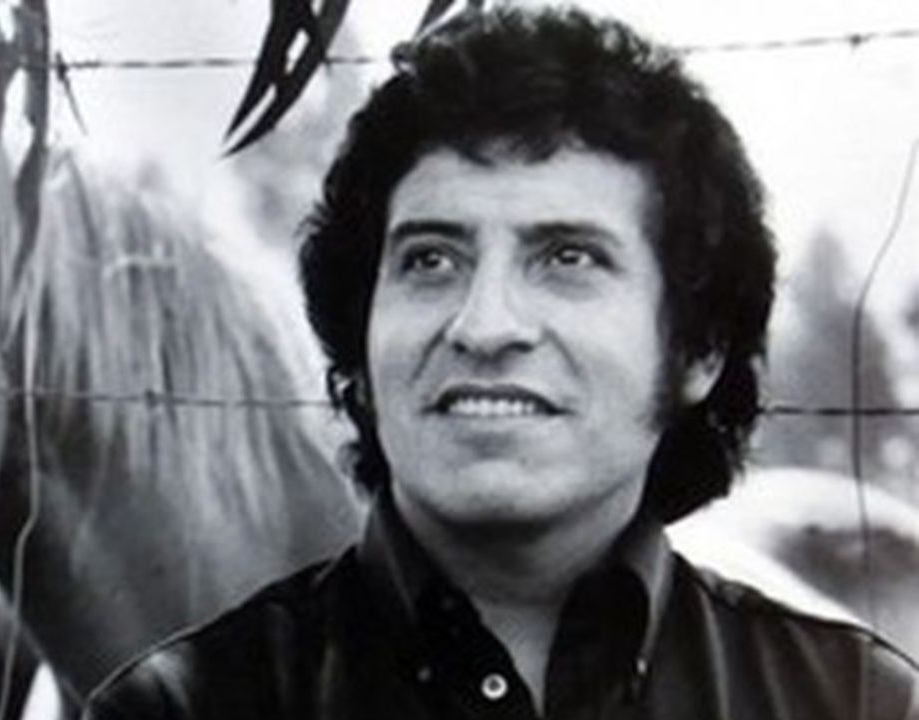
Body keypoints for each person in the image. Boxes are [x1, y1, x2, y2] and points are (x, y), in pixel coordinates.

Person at [85, 5, 919, 719]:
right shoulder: (179, 709)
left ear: (697, 348)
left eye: (567, 258)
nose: (483, 326)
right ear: (361, 341)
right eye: (430, 260)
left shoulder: (855, 701)